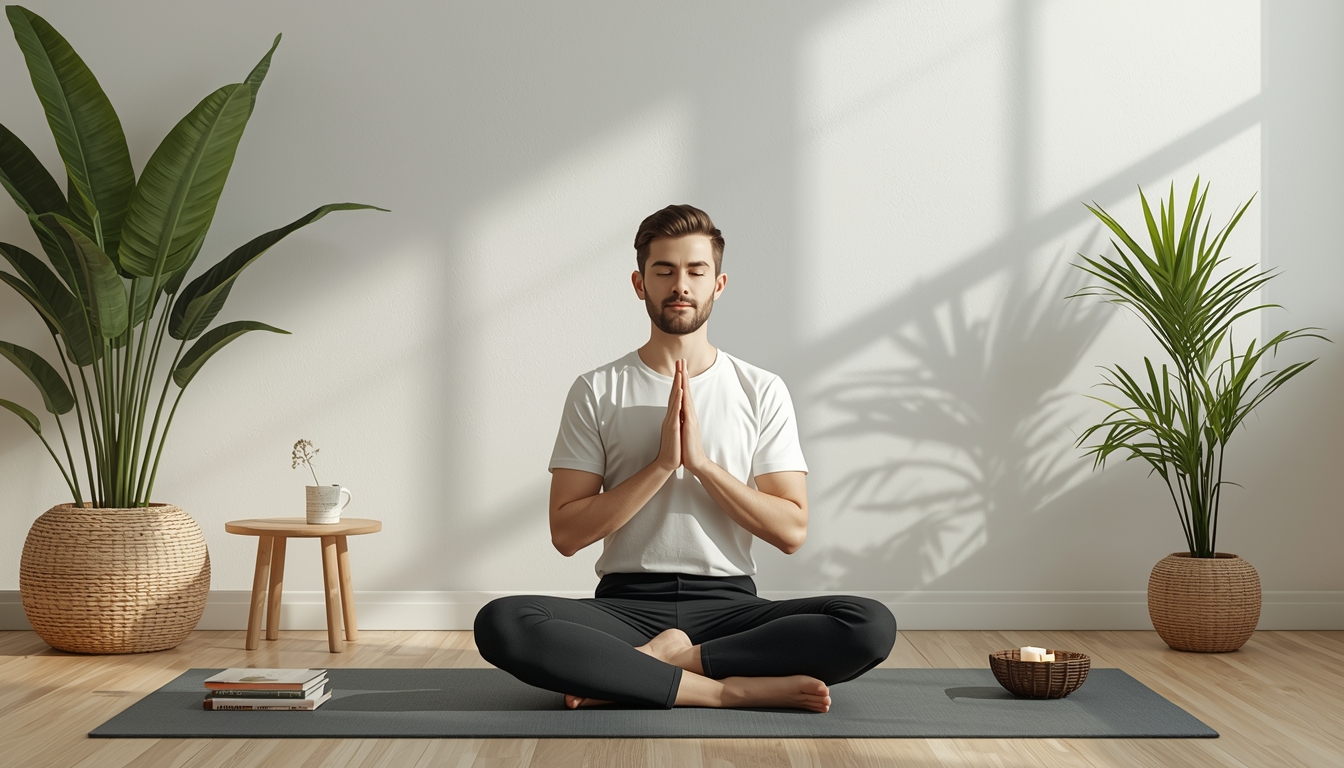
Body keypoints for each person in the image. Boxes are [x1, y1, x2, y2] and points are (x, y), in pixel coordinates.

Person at [474, 204, 896, 711]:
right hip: (625, 606)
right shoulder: (597, 389)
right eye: (664, 271)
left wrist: (701, 465)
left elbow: (791, 531)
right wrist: (659, 467)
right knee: (501, 622)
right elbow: (566, 534)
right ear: (639, 283)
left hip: (731, 608)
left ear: (717, 284)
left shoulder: (760, 389)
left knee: (869, 624)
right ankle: (722, 690)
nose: (681, 285)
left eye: (696, 271)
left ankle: (653, 667)